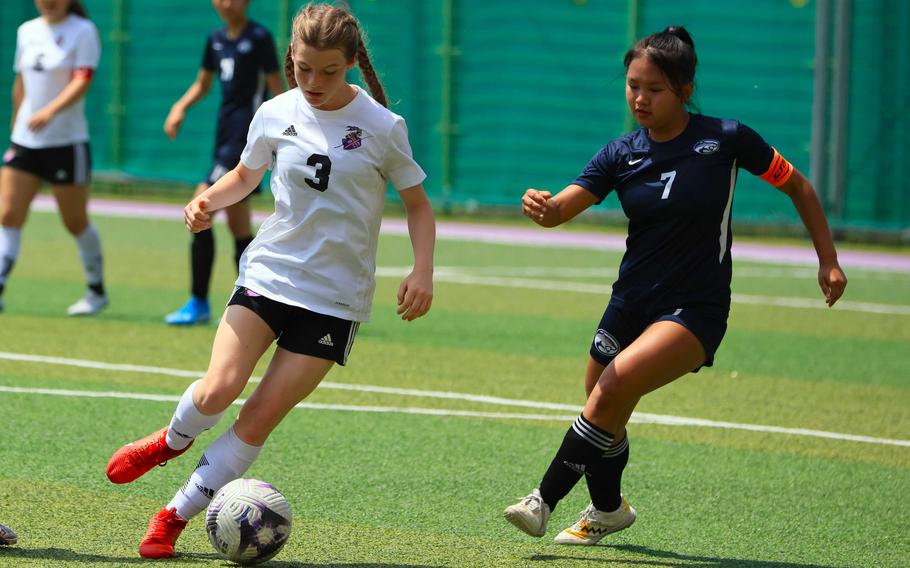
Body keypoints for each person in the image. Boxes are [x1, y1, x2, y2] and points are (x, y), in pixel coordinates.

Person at [105, 2, 435, 559]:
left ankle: (172, 516)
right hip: (269, 274)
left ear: (352, 62)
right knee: (219, 388)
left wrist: (421, 270)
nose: (313, 82)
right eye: (304, 68)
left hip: (335, 300)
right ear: (291, 58)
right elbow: (245, 175)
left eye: (328, 71)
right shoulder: (275, 111)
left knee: (256, 419)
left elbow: (418, 207)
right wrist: (207, 199)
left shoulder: (382, 126)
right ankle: (171, 440)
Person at [503, 26, 847, 546]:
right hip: (630, 303)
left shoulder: (728, 139)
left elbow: (797, 184)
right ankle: (608, 509)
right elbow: (563, 208)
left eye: (655, 89)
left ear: (685, 89)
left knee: (613, 389)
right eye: (633, 85)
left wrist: (828, 260)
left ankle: (542, 500)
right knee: (604, 406)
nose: (640, 98)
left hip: (696, 308)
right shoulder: (620, 154)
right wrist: (543, 208)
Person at [162, 0, 283, 325]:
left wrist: (282, 134)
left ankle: (199, 300)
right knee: (238, 225)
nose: (226, 3)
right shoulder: (215, 39)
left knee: (199, 207)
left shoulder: (259, 37)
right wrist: (180, 107)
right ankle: (259, 299)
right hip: (224, 133)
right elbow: (203, 84)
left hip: (245, 139)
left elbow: (277, 88)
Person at [0, 0, 106, 316]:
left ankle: (96, 290)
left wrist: (49, 111)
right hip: (25, 141)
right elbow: (21, 83)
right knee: (7, 214)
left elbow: (82, 79)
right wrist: (16, 125)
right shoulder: (26, 31)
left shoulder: (83, 30)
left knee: (74, 222)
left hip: (66, 142)